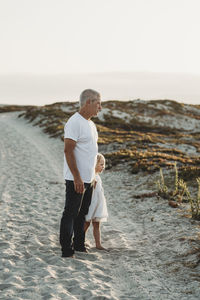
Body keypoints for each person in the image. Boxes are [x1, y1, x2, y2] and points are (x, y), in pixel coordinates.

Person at [59, 89, 102, 257]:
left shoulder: (91, 124)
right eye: (98, 103)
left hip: (88, 178)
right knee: (70, 213)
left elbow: (90, 152)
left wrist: (93, 176)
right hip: (75, 178)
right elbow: (68, 151)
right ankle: (66, 249)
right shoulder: (74, 122)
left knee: (83, 213)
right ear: (88, 102)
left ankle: (78, 244)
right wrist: (77, 177)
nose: (100, 107)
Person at [84, 153, 108, 250]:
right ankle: (79, 239)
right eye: (101, 164)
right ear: (94, 164)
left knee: (97, 224)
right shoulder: (92, 177)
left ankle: (98, 244)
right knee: (86, 223)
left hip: (98, 204)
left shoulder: (98, 177)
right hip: (91, 204)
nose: (103, 167)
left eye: (104, 164)